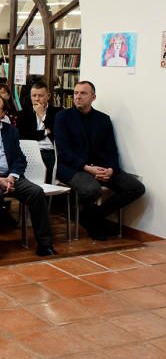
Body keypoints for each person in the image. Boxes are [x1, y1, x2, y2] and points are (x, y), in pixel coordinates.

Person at [0, 93, 55, 261]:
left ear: (3, 114)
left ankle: (45, 244)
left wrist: (12, 177)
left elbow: (20, 158)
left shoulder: (11, 131)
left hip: (10, 176)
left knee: (36, 192)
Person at [54, 80, 145, 240]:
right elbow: (64, 152)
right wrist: (87, 168)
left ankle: (93, 217)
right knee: (91, 189)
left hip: (101, 167)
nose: (78, 97)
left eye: (83, 93)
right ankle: (93, 222)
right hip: (72, 167)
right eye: (76, 93)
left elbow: (112, 149)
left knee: (136, 188)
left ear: (93, 97)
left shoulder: (103, 119)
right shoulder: (63, 117)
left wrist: (111, 169)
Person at [17, 80, 61, 183]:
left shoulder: (58, 113)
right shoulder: (24, 114)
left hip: (50, 152)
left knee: (48, 175)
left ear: (48, 96)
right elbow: (22, 136)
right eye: (34, 95)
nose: (36, 99)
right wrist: (45, 132)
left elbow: (57, 133)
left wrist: (42, 115)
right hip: (29, 152)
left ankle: (48, 196)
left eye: (40, 95)